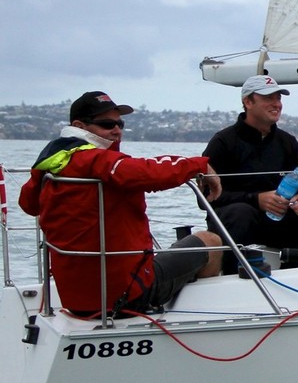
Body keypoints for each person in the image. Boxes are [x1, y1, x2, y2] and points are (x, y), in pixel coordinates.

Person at [19, 91, 222, 317]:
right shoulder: (96, 160)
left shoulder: (53, 164)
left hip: (76, 297)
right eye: (107, 124)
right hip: (126, 295)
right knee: (211, 242)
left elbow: (28, 204)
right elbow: (148, 173)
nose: (116, 130)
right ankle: (204, 317)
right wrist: (198, 165)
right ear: (79, 126)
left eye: (120, 123)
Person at [203, 75, 298, 274]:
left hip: (278, 223)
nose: (277, 104)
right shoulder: (223, 142)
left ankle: (297, 272)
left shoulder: (287, 142)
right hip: (236, 223)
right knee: (241, 213)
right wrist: (256, 199)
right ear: (248, 102)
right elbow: (205, 199)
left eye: (278, 98)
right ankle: (232, 277)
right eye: (268, 98)